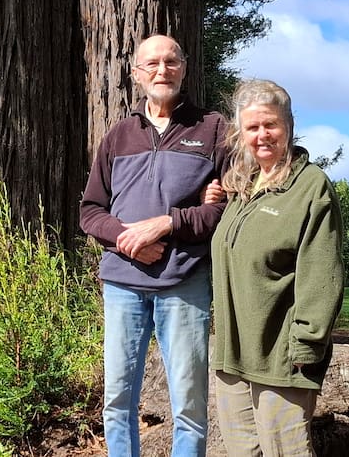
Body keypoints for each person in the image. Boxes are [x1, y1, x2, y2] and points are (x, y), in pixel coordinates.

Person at [80, 34, 229, 457]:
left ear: (184, 68)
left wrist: (167, 223)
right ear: (137, 74)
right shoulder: (118, 136)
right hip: (122, 286)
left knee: (190, 405)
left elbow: (226, 210)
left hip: (184, 284)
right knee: (117, 402)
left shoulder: (213, 129)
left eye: (171, 61)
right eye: (152, 63)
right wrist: (128, 241)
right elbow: (91, 211)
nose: (162, 70)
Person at [210, 79, 345, 457]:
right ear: (241, 133)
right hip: (233, 356)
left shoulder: (311, 187)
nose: (262, 135)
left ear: (289, 125)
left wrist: (307, 344)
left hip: (282, 357)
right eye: (252, 127)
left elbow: (322, 271)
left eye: (271, 124)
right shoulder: (243, 187)